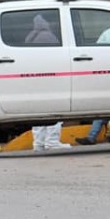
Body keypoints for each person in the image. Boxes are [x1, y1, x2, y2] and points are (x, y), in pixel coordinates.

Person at [26, 14, 70, 151]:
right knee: (55, 110)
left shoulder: (31, 35)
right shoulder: (48, 36)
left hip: (36, 79)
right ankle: (52, 141)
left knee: (39, 113)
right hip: (50, 78)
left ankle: (38, 142)